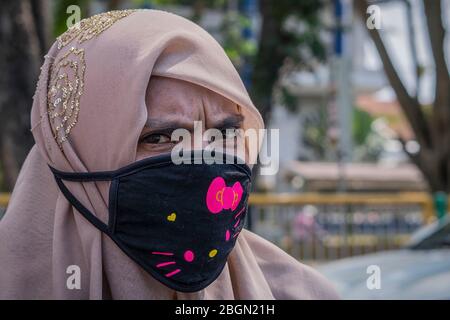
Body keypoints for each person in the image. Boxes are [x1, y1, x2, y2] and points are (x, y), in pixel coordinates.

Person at [0, 9, 338, 299]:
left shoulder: (299, 292)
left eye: (225, 133)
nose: (201, 158)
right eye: (160, 136)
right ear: (75, 155)